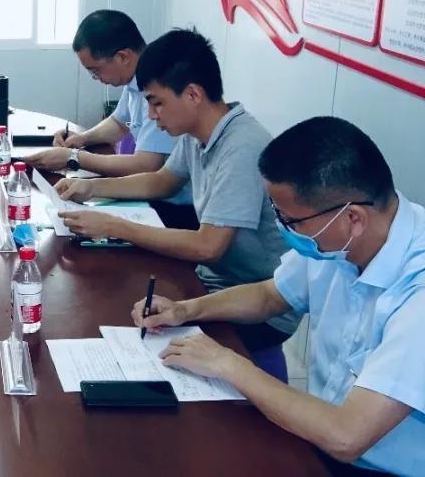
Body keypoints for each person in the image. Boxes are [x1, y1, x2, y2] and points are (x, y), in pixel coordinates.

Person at [139, 117, 425, 476]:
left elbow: (347, 436)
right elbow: (269, 296)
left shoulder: (416, 293)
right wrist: (186, 310)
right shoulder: (336, 241)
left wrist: (228, 364)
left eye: (291, 220)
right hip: (315, 433)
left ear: (353, 218)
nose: (282, 227)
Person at [54, 28, 298, 360]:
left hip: (256, 303)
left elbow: (208, 246)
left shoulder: (242, 147)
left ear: (193, 94)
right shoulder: (196, 132)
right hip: (215, 280)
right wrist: (90, 187)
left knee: (138, 342)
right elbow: (161, 182)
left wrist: (115, 226)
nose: (151, 115)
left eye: (157, 103)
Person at [23, 10, 192, 226]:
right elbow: (119, 122)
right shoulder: (136, 80)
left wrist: (73, 157)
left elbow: (146, 165)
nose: (95, 78)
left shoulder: (159, 87)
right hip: (155, 192)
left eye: (95, 71)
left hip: (174, 208)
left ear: (123, 57)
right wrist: (82, 139)